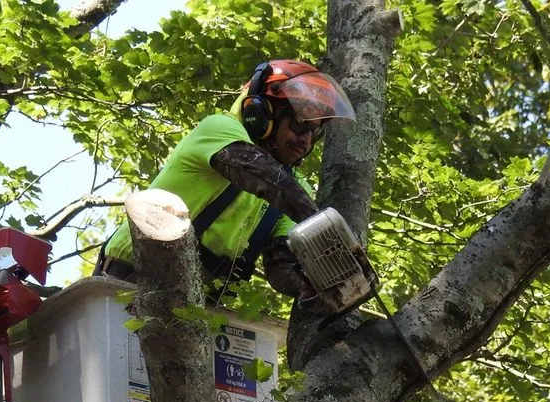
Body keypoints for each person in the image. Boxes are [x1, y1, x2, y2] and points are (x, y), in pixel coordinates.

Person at [93, 59, 357, 302]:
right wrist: (331, 238)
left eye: (315, 131)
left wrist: (315, 284)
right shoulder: (219, 129)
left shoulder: (296, 186)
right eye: (300, 124)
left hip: (197, 305)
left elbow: (281, 264)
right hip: (130, 278)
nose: (306, 140)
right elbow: (263, 176)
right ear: (263, 113)